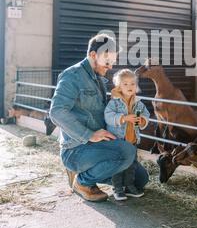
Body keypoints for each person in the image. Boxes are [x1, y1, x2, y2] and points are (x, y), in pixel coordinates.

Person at [49, 33, 149, 202]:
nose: (110, 66)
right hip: (76, 149)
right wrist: (89, 134)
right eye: (107, 61)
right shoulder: (72, 75)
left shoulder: (100, 80)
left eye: (113, 62)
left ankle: (93, 172)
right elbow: (56, 112)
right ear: (94, 55)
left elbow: (107, 115)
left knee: (141, 179)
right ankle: (82, 182)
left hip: (100, 146)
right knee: (126, 152)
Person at [105, 69, 150, 201]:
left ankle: (129, 186)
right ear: (119, 87)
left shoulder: (138, 102)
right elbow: (108, 116)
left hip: (132, 140)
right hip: (118, 140)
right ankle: (117, 188)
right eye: (125, 84)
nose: (130, 87)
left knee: (131, 165)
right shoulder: (114, 102)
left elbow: (146, 114)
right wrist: (123, 118)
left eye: (132, 84)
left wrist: (142, 120)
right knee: (118, 164)